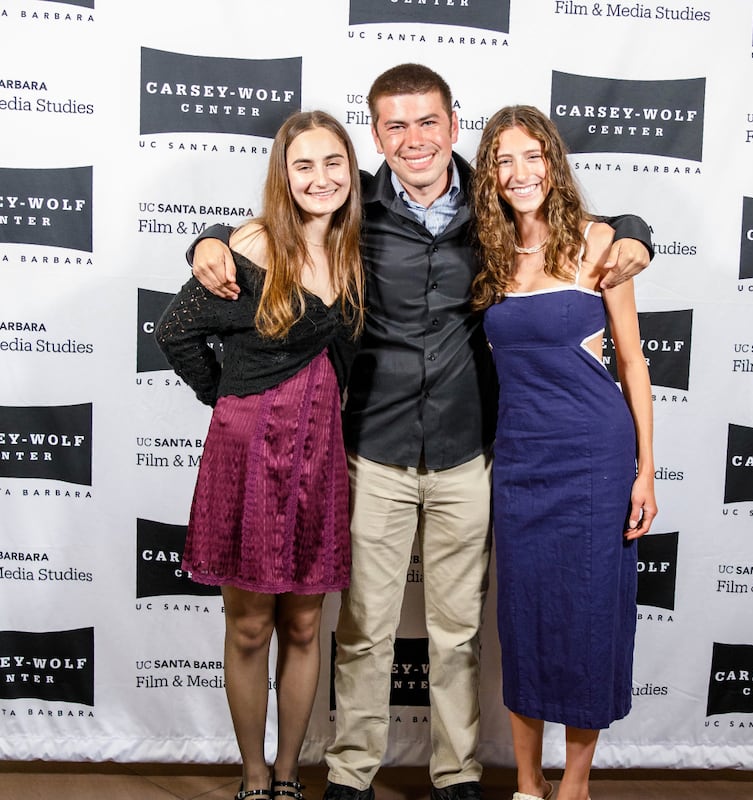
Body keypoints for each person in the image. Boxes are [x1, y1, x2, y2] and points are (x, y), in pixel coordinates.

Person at [188, 64, 653, 800]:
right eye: (395, 125)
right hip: (372, 448)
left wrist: (635, 231)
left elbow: (568, 217)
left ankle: (458, 771)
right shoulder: (351, 211)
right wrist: (208, 240)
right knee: (365, 630)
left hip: (471, 451)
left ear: (454, 124)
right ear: (374, 134)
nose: (413, 139)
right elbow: (273, 225)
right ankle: (350, 772)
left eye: (427, 121)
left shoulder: (491, 204)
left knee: (458, 634)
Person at [156, 110, 364, 800]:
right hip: (248, 451)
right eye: (302, 164)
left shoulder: (357, 248)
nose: (320, 177)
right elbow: (175, 330)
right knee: (249, 626)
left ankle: (287, 777)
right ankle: (251, 777)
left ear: (351, 170)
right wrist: (228, 397)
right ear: (283, 173)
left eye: (333, 162)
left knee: (305, 624)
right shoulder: (248, 244)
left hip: (321, 453)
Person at [471, 105, 657, 800]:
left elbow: (634, 364)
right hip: (519, 461)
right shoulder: (488, 256)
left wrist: (646, 471)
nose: (520, 173)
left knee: (586, 616)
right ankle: (527, 782)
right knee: (522, 621)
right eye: (502, 160)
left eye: (532, 156)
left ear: (553, 160)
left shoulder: (601, 242)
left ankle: (574, 785)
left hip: (593, 457)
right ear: (489, 173)